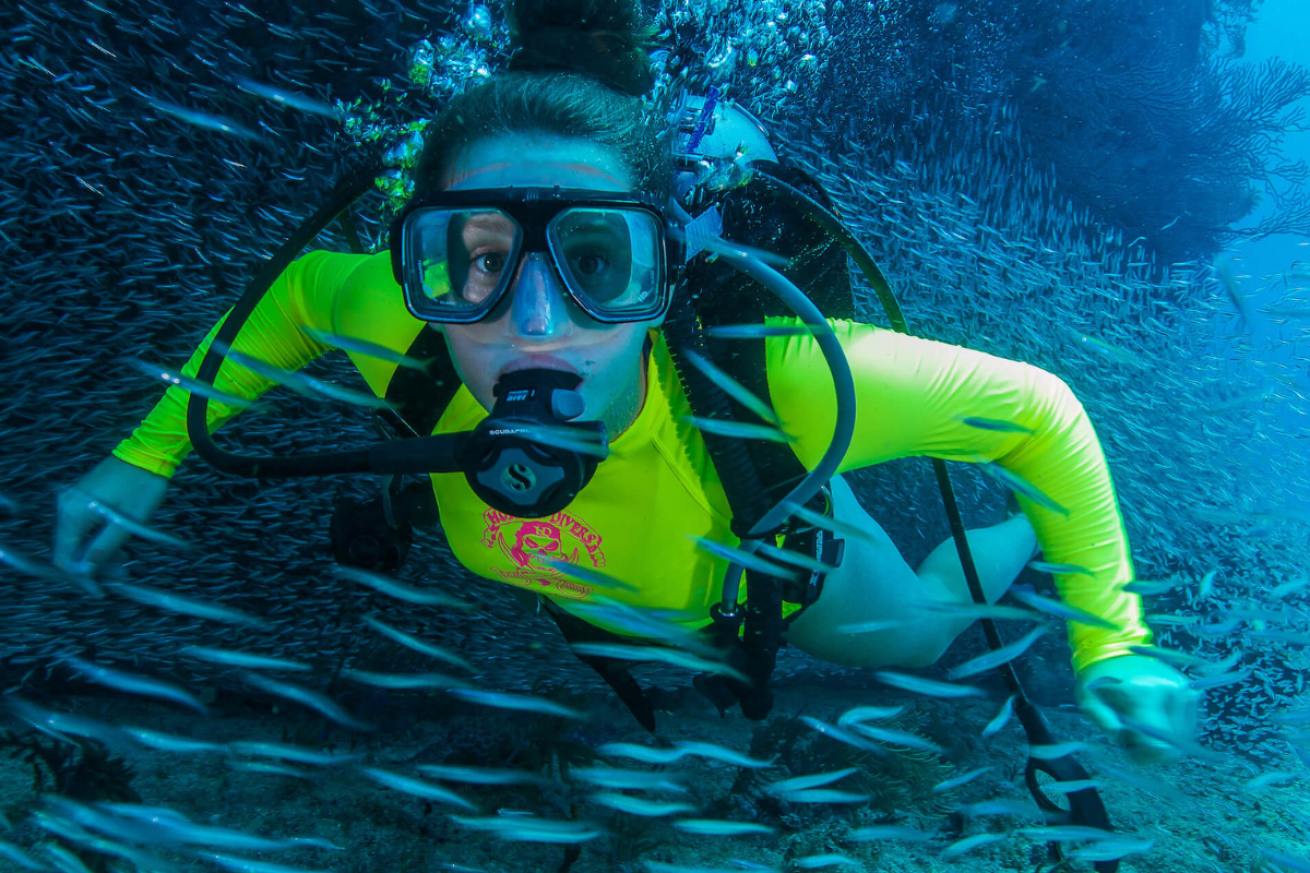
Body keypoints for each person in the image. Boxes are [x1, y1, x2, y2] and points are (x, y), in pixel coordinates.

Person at [53, 0, 1197, 763]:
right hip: (624, 592)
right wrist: (142, 456)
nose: (535, 323)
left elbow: (1040, 411)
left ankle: (1020, 550)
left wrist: (1111, 641)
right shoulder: (395, 321)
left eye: (598, 262)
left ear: (663, 271)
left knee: (923, 628)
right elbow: (300, 289)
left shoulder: (778, 388)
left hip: (788, 574)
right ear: (424, 266)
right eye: (479, 259)